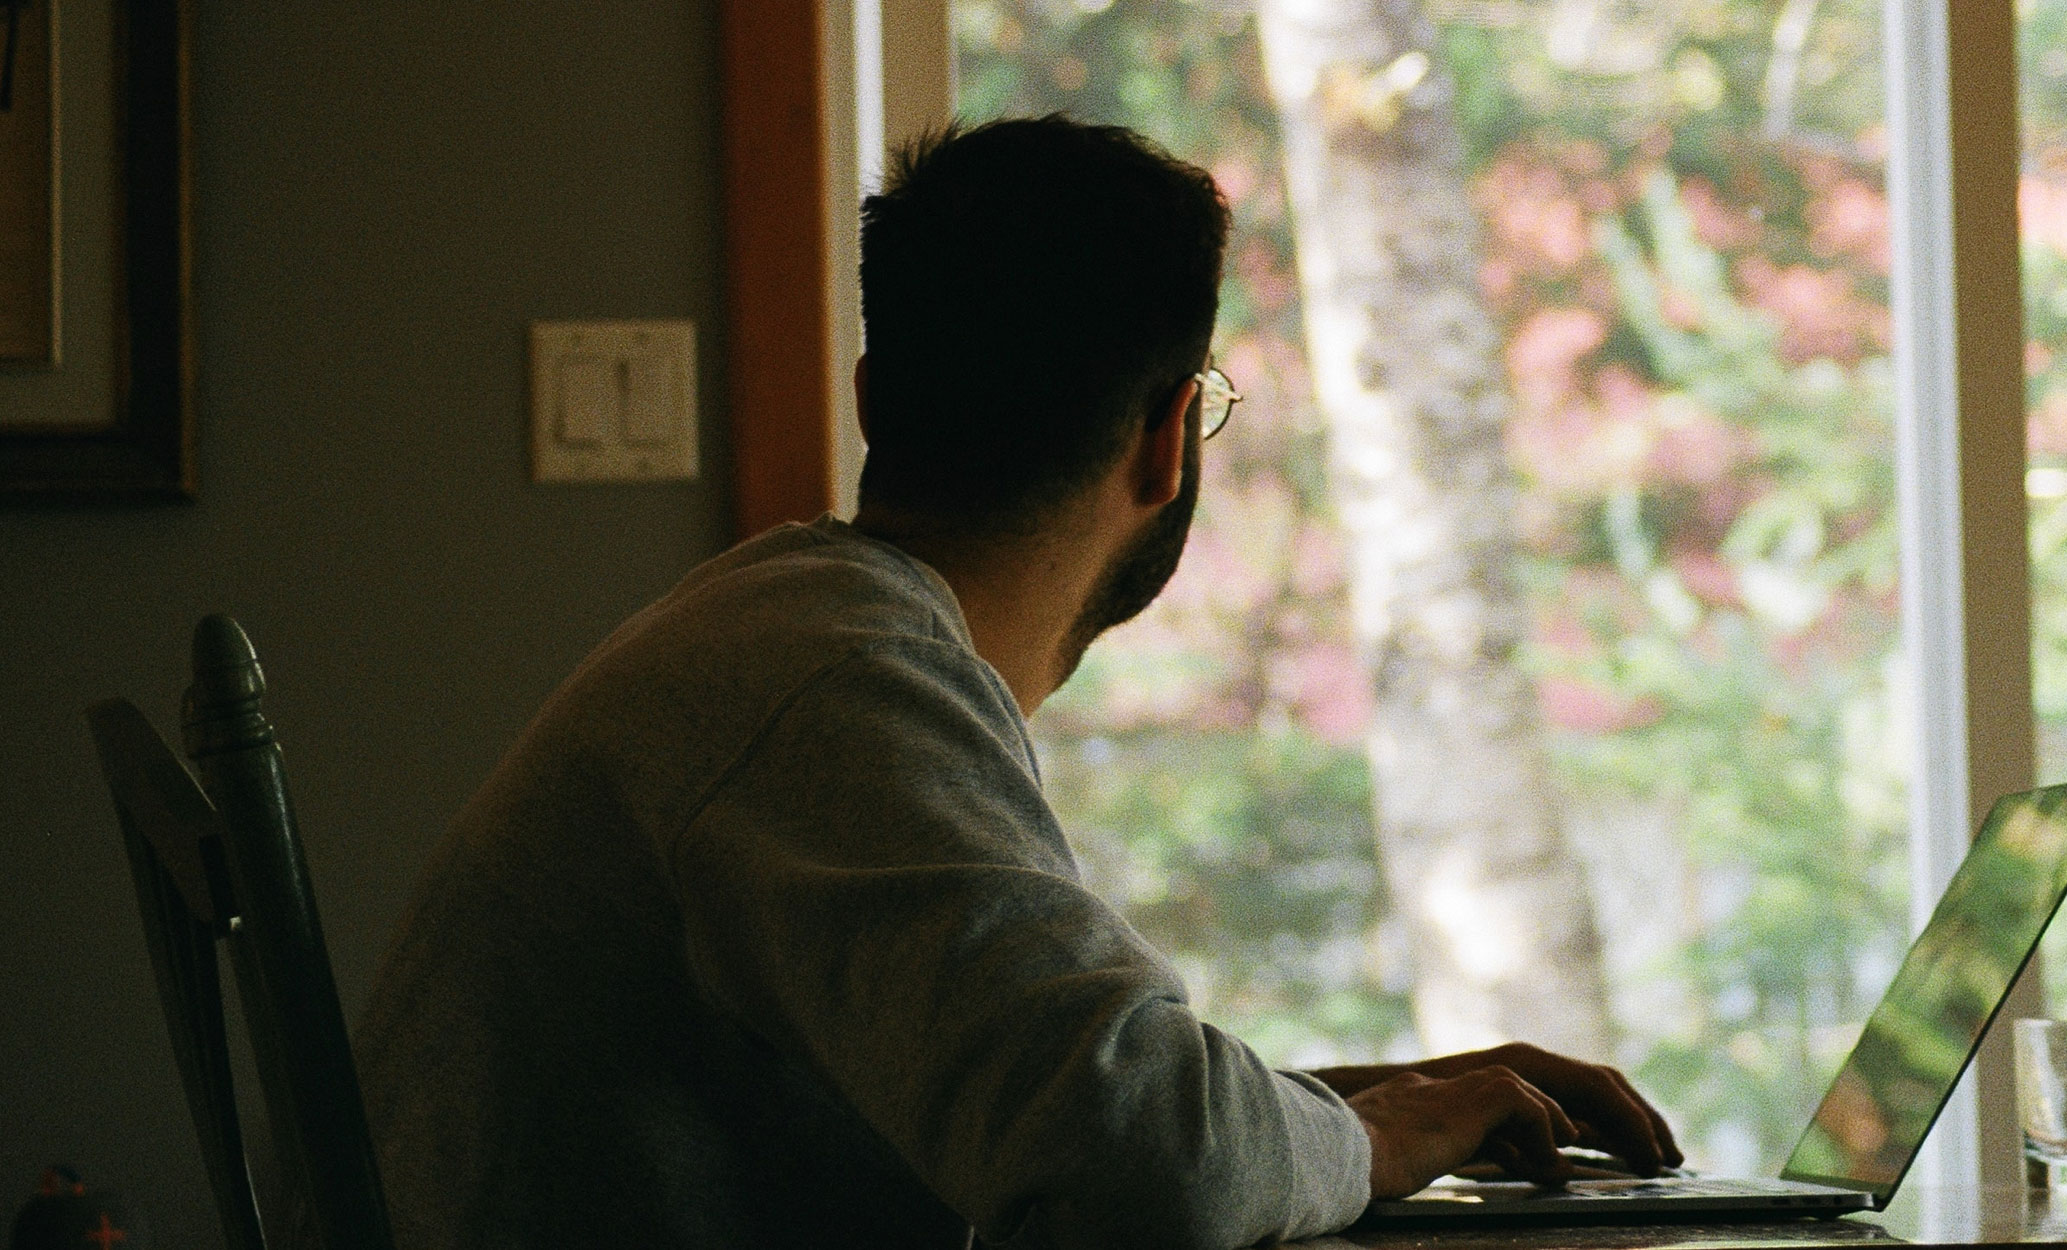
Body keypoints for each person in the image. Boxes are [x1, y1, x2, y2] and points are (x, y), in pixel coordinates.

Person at [354, 114, 1678, 1250]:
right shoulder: (837, 682)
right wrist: (1370, 1142)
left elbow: (1069, 1103)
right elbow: (1146, 1161)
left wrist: (1352, 1109)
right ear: (1168, 439)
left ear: (874, 399)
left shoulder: (785, 633)